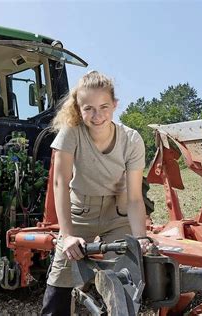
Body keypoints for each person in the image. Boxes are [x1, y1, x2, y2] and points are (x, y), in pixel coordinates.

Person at [41, 71, 148, 315]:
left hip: (118, 214)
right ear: (79, 109)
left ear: (115, 105)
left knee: (127, 278)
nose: (97, 115)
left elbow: (134, 197)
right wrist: (67, 236)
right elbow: (60, 183)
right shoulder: (71, 133)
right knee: (61, 277)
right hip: (81, 213)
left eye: (104, 107)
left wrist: (140, 237)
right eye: (88, 108)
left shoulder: (131, 140)